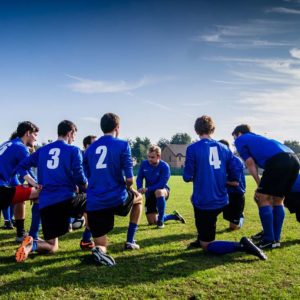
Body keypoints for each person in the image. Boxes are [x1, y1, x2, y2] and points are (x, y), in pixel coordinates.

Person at [183, 115, 266, 260]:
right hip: (223, 198)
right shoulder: (224, 148)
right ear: (212, 129)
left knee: (207, 245)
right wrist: (230, 179)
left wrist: (199, 173)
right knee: (206, 219)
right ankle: (202, 236)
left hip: (205, 201)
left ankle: (242, 245)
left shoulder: (192, 148)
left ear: (196, 130)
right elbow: (238, 165)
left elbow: (187, 176)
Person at [15, 120, 88, 262]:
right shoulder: (73, 150)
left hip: (46, 203)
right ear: (69, 133)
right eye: (74, 135)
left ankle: (32, 245)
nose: (74, 139)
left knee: (52, 246)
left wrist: (34, 183)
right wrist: (87, 185)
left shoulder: (43, 150)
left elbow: (21, 167)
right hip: (67, 200)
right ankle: (88, 240)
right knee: (93, 202)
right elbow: (79, 177)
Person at [84, 113, 142, 267]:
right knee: (139, 199)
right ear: (117, 127)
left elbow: (88, 177)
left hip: (95, 202)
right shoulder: (123, 145)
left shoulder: (89, 150)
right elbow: (130, 179)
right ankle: (130, 241)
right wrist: (129, 188)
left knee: (102, 244)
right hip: (116, 199)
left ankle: (98, 251)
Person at [232, 124, 300, 249]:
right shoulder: (258, 138)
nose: (234, 140)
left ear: (239, 134)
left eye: (234, 137)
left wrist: (259, 183)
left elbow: (250, 163)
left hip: (278, 161)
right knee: (277, 200)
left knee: (261, 197)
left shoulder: (241, 139)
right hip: (294, 159)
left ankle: (269, 238)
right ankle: (275, 238)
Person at [0, 121, 41, 241]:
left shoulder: (8, 143)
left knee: (21, 196)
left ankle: (21, 232)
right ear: (28, 133)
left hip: (3, 187)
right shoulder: (21, 148)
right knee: (41, 192)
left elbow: (14, 177)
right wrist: (38, 184)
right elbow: (26, 172)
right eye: (35, 135)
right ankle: (32, 234)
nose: (35, 138)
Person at [136, 145, 185, 228]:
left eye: (152, 157)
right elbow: (139, 178)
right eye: (148, 156)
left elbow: (161, 184)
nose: (149, 159)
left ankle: (161, 222)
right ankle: (174, 216)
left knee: (158, 191)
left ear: (158, 156)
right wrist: (139, 188)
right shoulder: (144, 164)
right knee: (152, 222)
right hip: (149, 193)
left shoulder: (165, 166)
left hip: (163, 191)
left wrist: (147, 189)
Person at [219, 139, 246, 230]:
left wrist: (219, 180)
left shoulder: (235, 161)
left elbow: (235, 183)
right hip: (224, 194)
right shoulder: (219, 161)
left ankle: (241, 217)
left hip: (236, 194)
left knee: (233, 228)